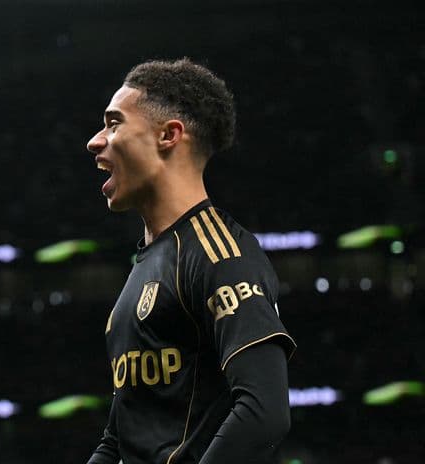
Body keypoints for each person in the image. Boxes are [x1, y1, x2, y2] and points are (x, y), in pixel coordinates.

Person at [84, 58, 296, 464]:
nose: (95, 141)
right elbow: (118, 437)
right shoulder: (144, 268)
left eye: (114, 124)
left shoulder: (221, 253)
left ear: (168, 135)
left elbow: (264, 411)